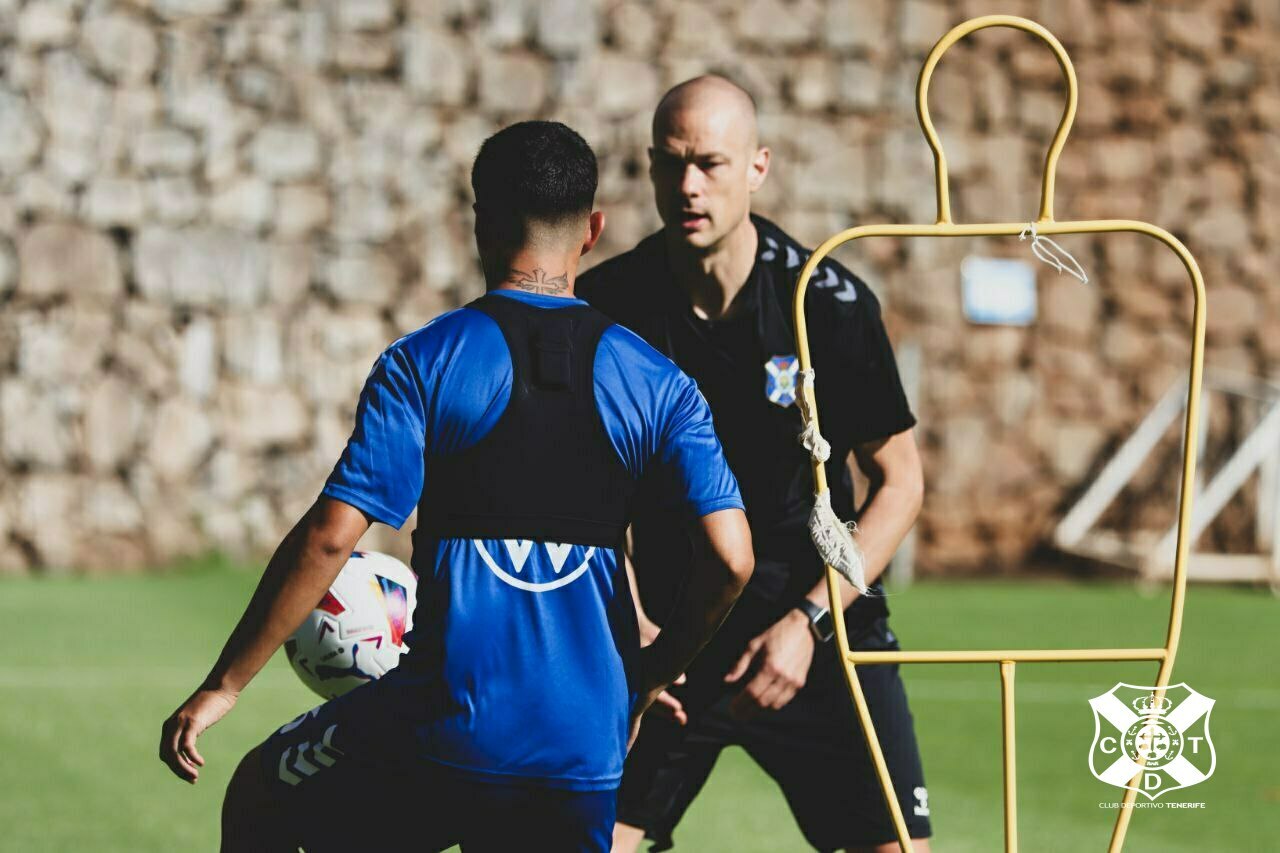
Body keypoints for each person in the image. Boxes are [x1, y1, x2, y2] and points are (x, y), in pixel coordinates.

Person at [158, 120, 755, 853]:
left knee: (261, 790)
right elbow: (732, 559)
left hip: (439, 724)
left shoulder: (423, 364)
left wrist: (225, 684)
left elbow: (332, 536)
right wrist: (647, 678)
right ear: (592, 229)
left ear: (481, 221)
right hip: (583, 747)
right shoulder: (663, 385)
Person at [578, 76, 932, 853]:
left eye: (710, 163)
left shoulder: (826, 303)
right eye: (669, 166)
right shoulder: (609, 307)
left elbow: (900, 482)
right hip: (674, 638)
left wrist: (809, 621)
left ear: (758, 167)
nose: (688, 187)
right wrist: (633, 629)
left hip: (822, 625)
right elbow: (586, 494)